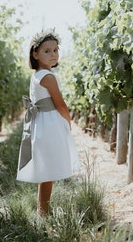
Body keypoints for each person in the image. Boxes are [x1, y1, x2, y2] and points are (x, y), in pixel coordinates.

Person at [16, 29, 80, 216]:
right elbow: (60, 104)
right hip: (50, 123)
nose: (53, 54)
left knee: (47, 172)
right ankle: (43, 212)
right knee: (49, 171)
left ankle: (42, 210)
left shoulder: (37, 75)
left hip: (42, 123)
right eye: (47, 51)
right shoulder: (48, 77)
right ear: (35, 54)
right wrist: (68, 121)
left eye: (55, 50)